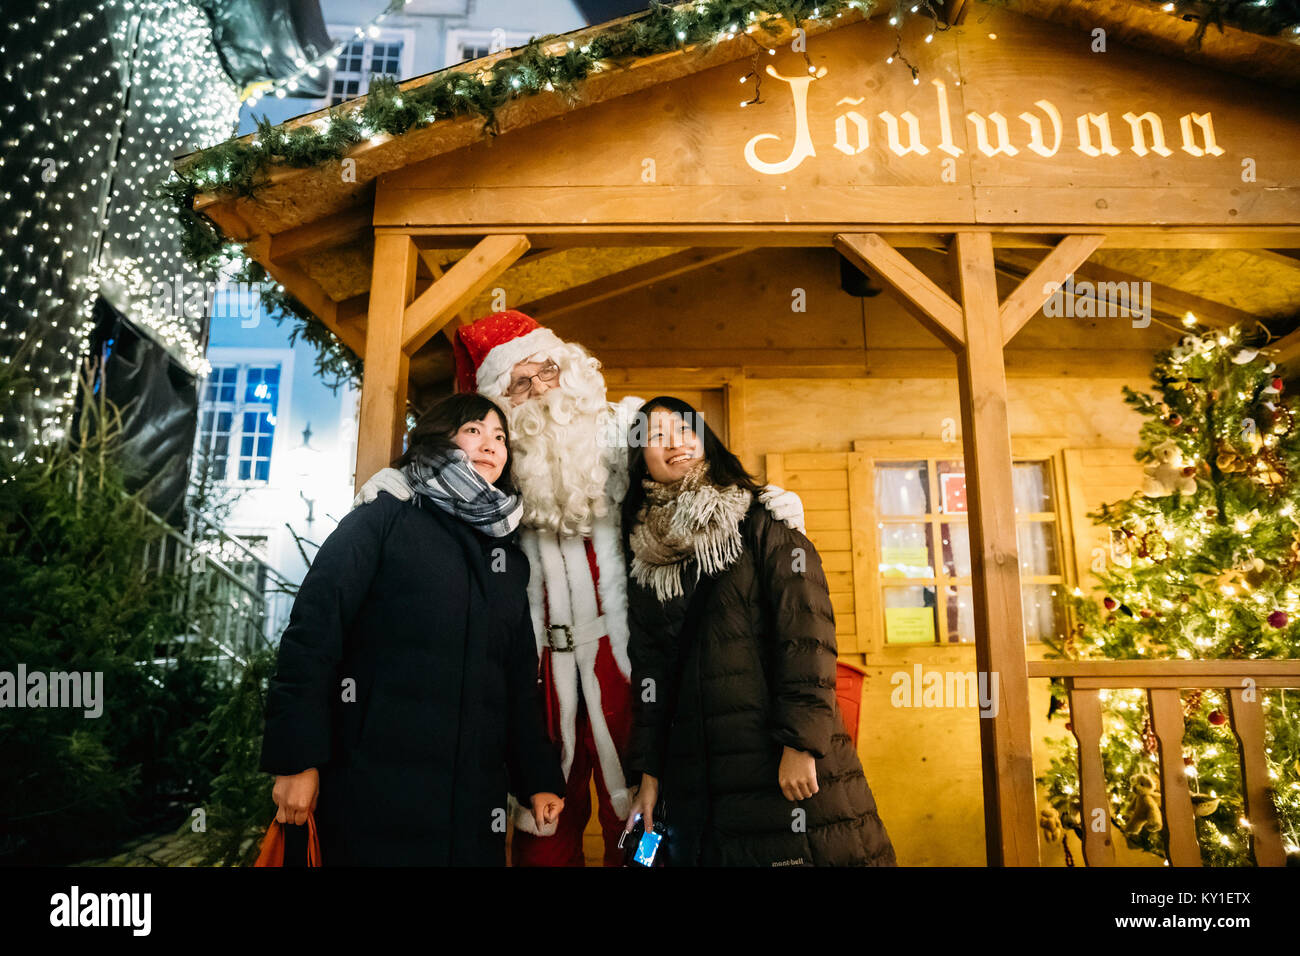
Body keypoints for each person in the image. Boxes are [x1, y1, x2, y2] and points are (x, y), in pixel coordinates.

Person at [354, 310, 807, 866]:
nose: (542, 389)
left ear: (570, 367)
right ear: (503, 402)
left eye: (547, 370)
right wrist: (389, 481)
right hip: (542, 671)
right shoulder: (497, 454)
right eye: (520, 383)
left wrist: (763, 500)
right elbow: (433, 468)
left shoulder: (622, 424)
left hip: (628, 662)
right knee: (545, 824)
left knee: (642, 817)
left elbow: (692, 460)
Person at [260, 393, 565, 865]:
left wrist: (538, 777)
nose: (491, 444)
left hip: (472, 807)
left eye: (500, 436)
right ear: (438, 438)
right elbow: (313, 633)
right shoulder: (384, 516)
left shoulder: (505, 553)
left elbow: (517, 680)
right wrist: (297, 760)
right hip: (372, 791)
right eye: (474, 430)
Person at [621, 397, 897, 866]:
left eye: (685, 429)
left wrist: (801, 743)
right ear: (639, 457)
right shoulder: (645, 555)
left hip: (772, 756)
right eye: (656, 436)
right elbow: (653, 674)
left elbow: (807, 632)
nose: (675, 443)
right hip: (697, 774)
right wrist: (649, 776)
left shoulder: (762, 517)